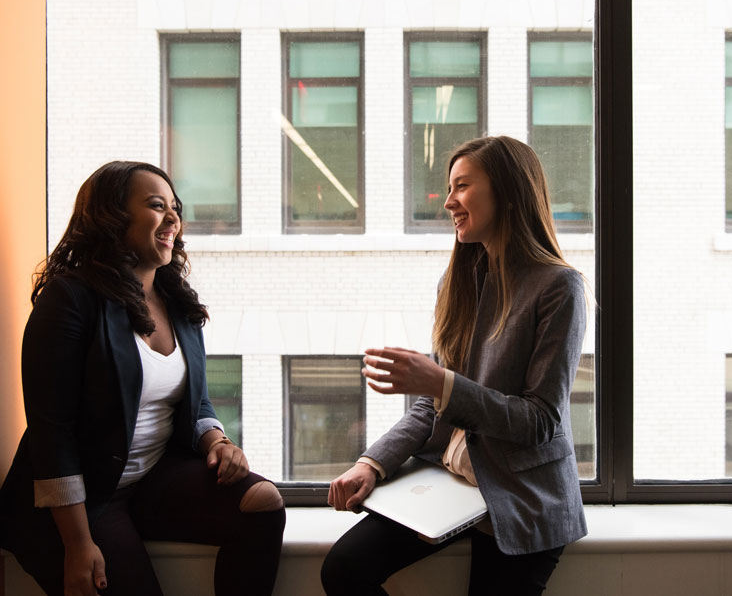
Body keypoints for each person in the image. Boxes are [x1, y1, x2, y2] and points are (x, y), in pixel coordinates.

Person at [0, 161, 285, 596]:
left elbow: (197, 401)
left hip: (148, 479)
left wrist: (216, 442)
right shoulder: (71, 299)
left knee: (262, 502)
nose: (173, 218)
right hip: (78, 502)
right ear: (111, 216)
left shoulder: (176, 301)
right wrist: (78, 545)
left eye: (176, 207)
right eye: (157, 205)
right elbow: (50, 433)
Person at [321, 136, 587, 596]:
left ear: (507, 191)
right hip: (451, 483)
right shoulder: (459, 279)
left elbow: (541, 421)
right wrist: (372, 463)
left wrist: (443, 384)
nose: (448, 202)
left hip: (520, 495)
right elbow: (430, 407)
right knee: (343, 570)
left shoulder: (559, 288)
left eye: (462, 186)